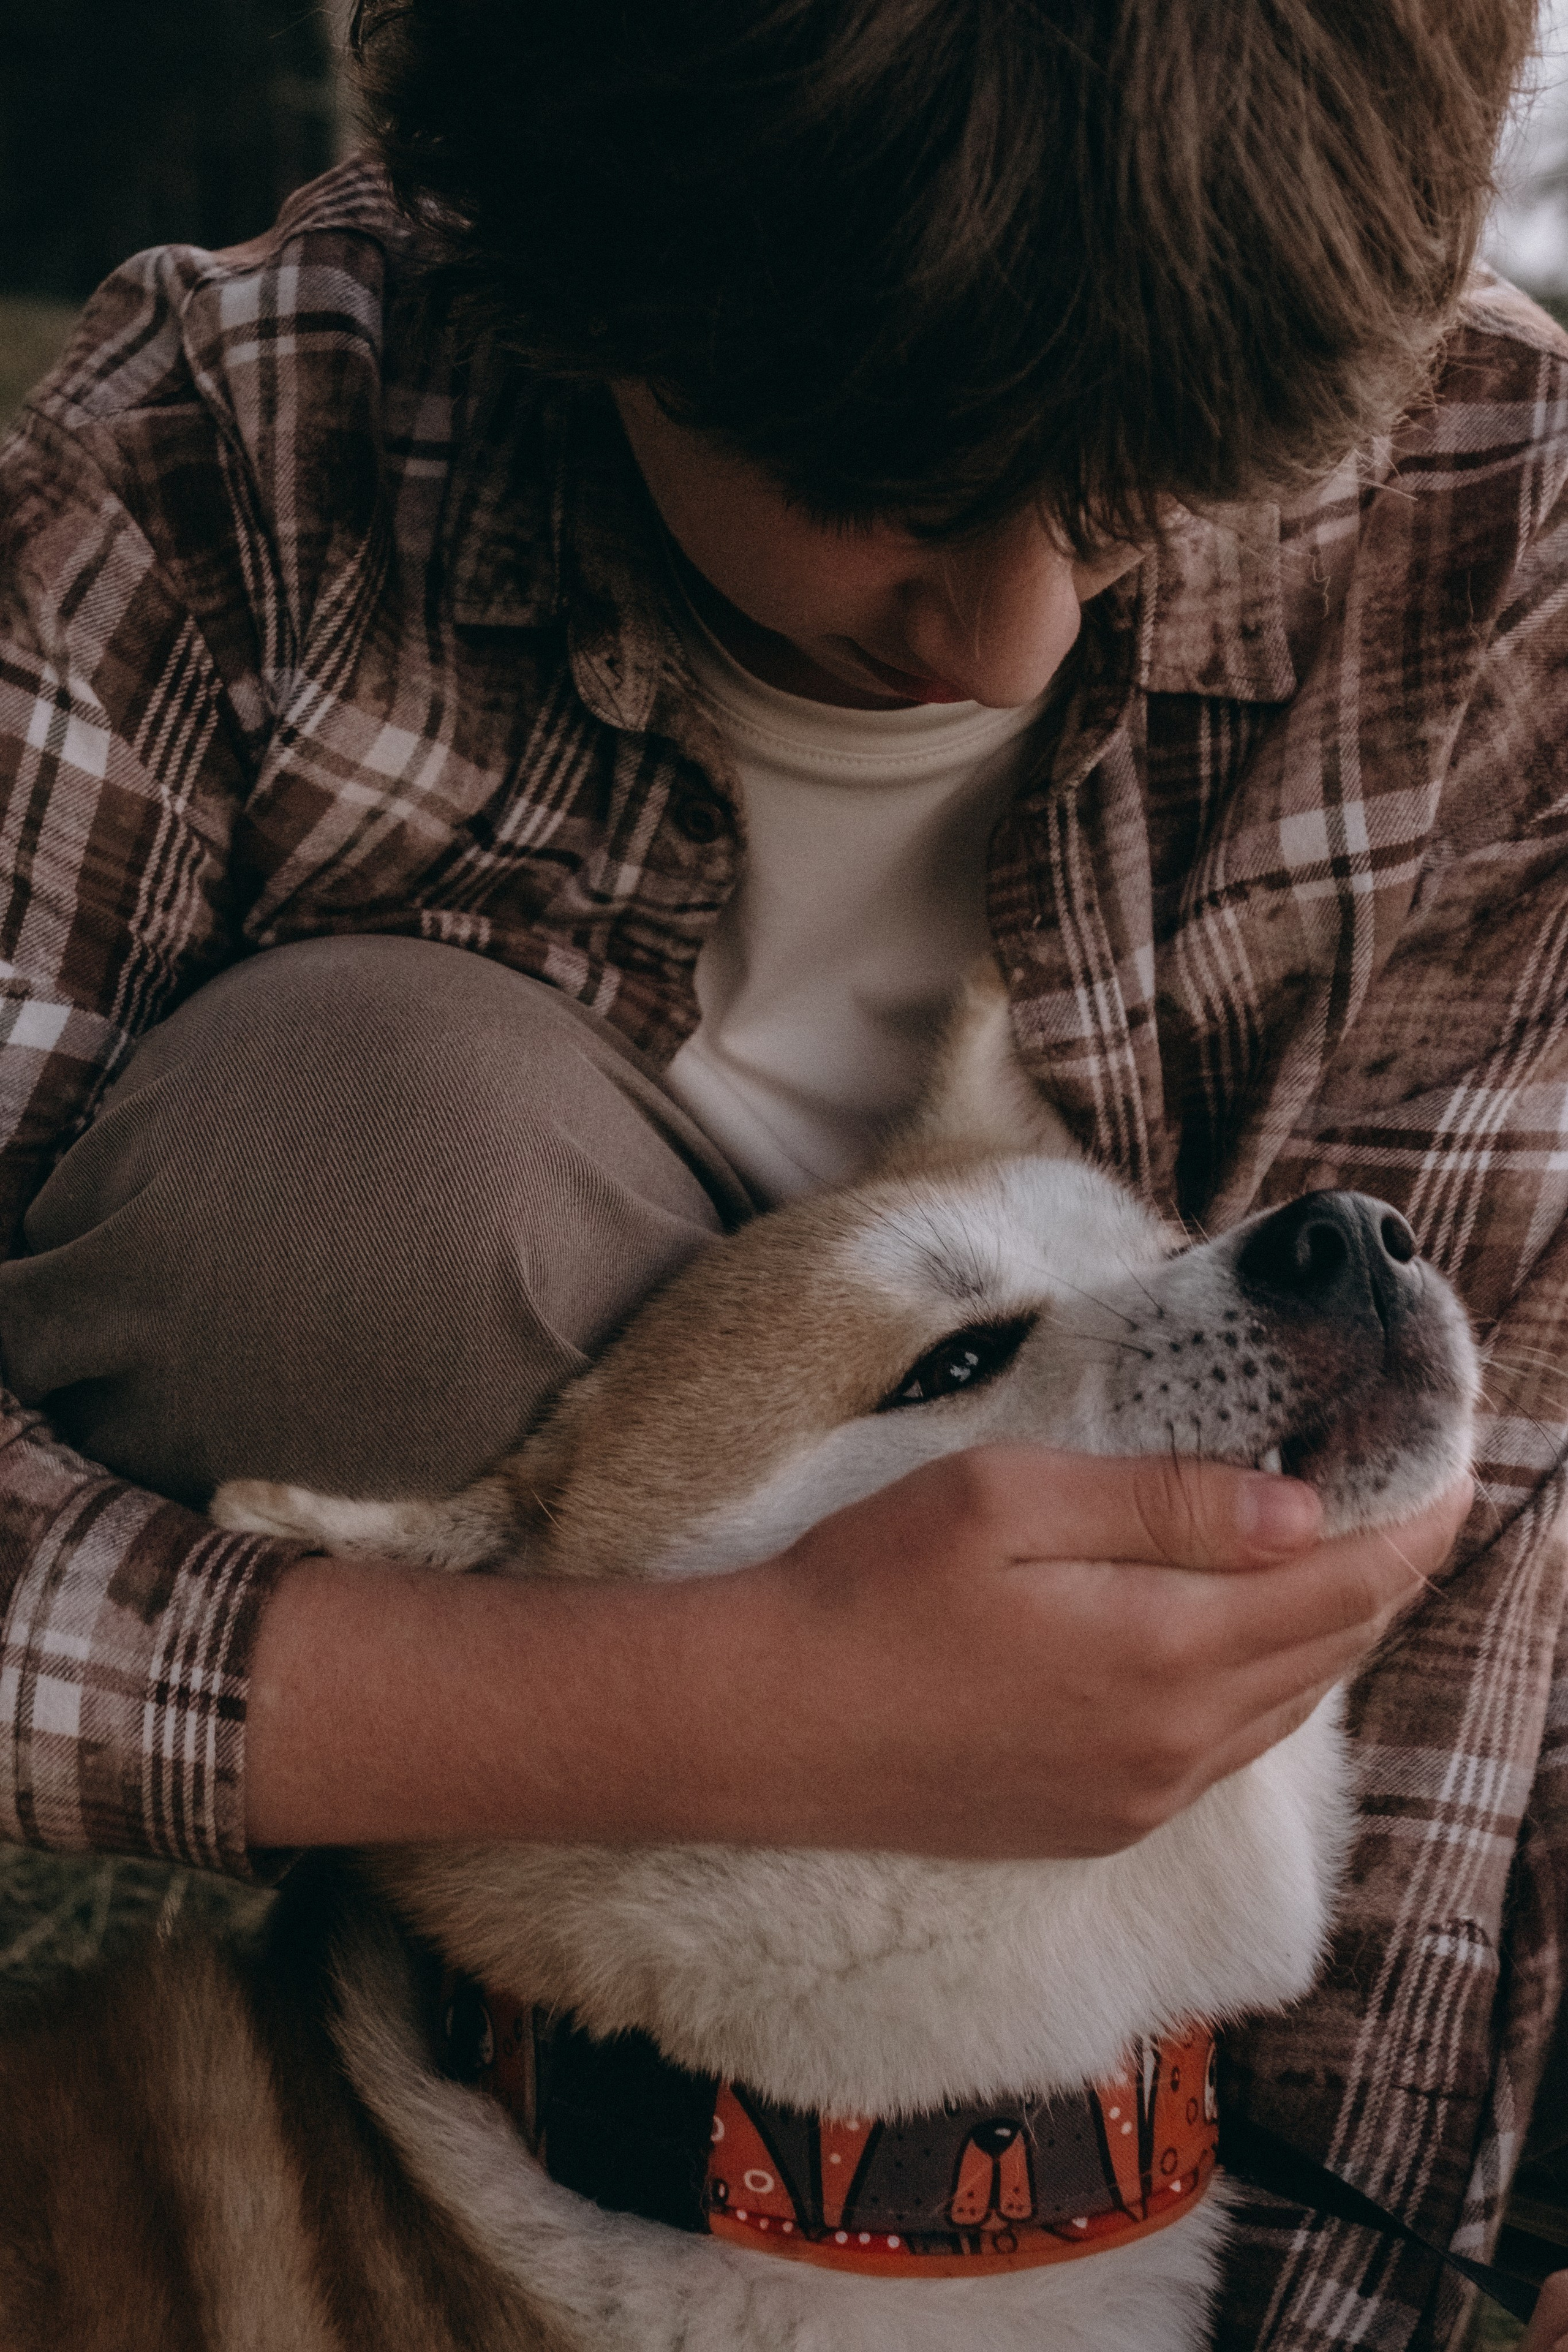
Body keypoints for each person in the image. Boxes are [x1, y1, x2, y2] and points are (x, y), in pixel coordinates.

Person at [0, 1, 1561, 2342]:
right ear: (567, 266)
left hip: (1127, 2074)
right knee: (359, 1147)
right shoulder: (222, 468)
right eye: (907, 491)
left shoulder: (1504, 533)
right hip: (457, 1984)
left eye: (1138, 493)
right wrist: (686, 1706)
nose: (1017, 626)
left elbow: (1459, 1624)